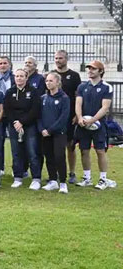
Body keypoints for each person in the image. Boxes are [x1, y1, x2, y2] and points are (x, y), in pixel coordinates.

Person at [75, 60, 116, 190]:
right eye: (89, 68)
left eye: (93, 68)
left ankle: (103, 179)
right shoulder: (82, 86)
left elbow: (105, 107)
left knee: (100, 150)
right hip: (83, 124)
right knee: (84, 150)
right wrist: (80, 118)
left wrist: (92, 120)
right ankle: (87, 178)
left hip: (99, 124)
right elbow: (78, 104)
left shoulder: (106, 87)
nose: (90, 71)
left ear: (101, 71)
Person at [3, 68, 42, 189]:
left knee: (32, 152)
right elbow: (7, 109)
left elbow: (35, 110)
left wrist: (23, 122)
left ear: (26, 78)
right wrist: (15, 122)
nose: (19, 78)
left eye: (21, 76)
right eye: (17, 76)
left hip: (29, 126)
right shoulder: (10, 92)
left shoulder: (33, 91)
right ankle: (18, 177)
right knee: (16, 153)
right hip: (14, 126)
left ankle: (36, 178)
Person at [39, 72, 70, 194]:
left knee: (59, 156)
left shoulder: (64, 98)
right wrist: (42, 129)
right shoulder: (43, 98)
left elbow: (63, 118)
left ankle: (62, 182)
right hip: (45, 133)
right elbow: (39, 116)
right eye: (47, 81)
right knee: (49, 156)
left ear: (57, 82)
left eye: (51, 81)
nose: (48, 83)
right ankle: (53, 180)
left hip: (58, 133)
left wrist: (50, 130)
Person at [54, 49, 82, 184]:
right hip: (54, 117)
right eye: (56, 58)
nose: (58, 60)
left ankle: (71, 173)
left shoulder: (74, 76)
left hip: (70, 116)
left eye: (60, 58)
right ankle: (57, 173)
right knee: (55, 146)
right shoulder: (51, 76)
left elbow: (78, 97)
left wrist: (77, 115)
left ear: (66, 59)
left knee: (70, 146)